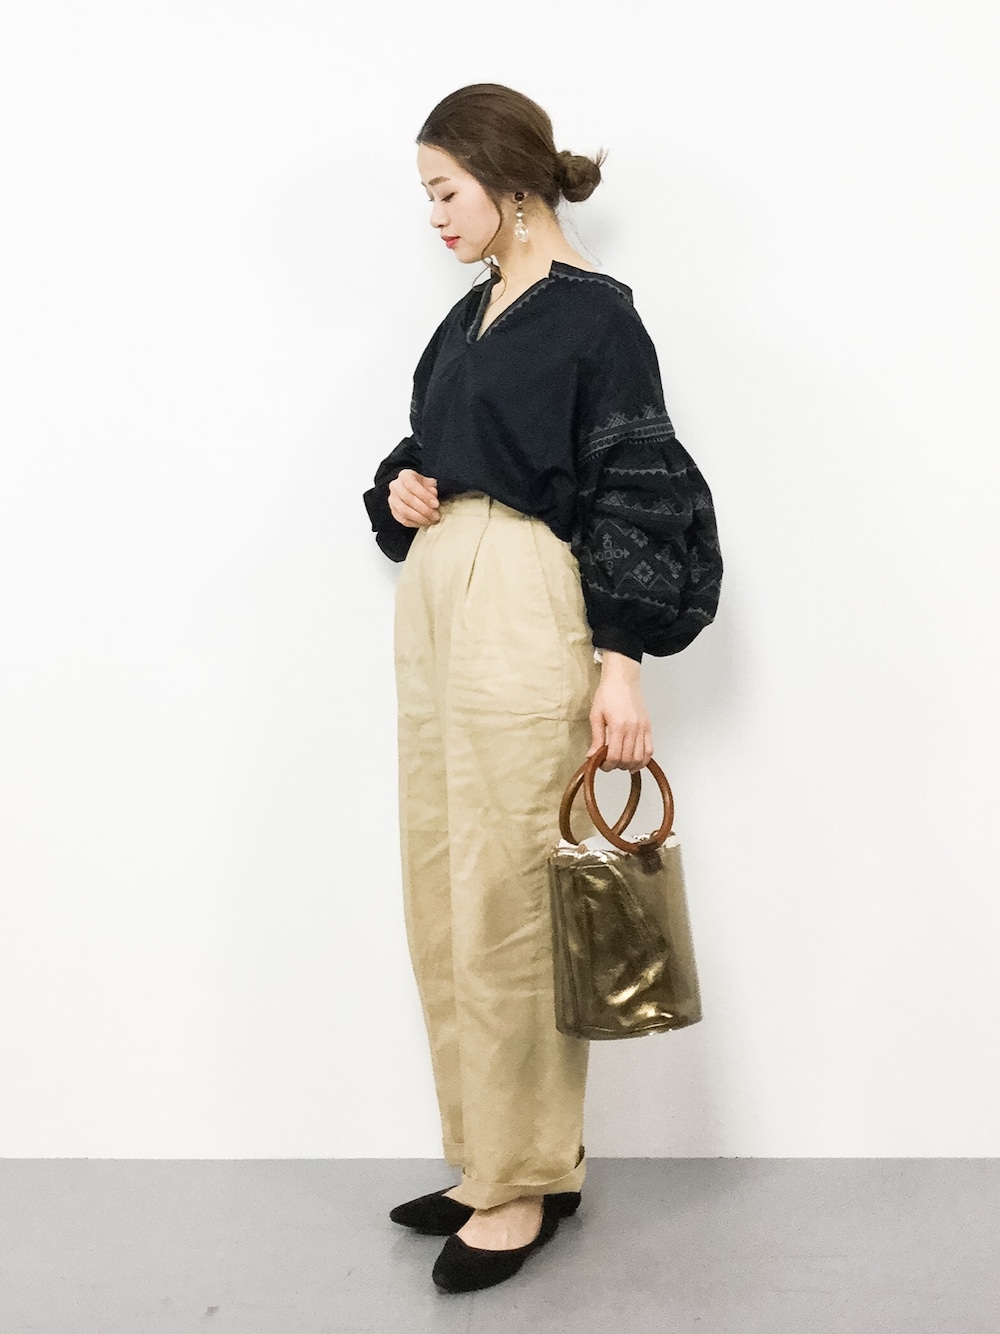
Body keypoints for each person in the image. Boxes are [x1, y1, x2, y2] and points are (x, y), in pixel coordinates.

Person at [362, 83, 722, 1294]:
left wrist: (620, 659)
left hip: (525, 598)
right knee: (442, 879)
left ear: (509, 183)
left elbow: (635, 487)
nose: (433, 215)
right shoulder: (471, 315)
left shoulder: (595, 318)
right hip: (437, 595)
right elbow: (431, 444)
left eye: (444, 190)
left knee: (513, 892)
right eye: (426, 196)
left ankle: (524, 1179)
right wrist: (402, 488)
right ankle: (491, 1157)